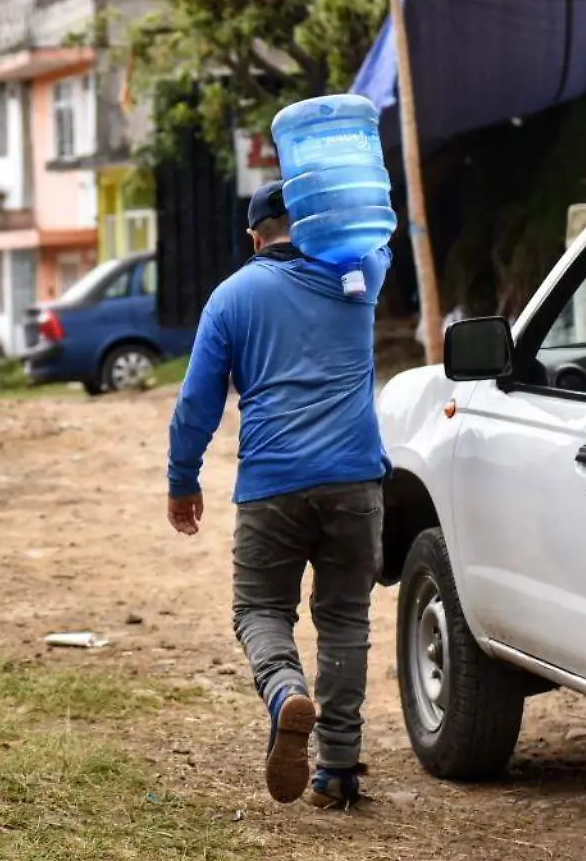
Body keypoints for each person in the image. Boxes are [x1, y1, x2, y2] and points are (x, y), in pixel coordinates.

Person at [166, 180, 391, 809]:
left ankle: (286, 691)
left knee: (260, 612)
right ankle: (338, 771)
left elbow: (196, 404)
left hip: (272, 484)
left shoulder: (233, 296)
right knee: (345, 618)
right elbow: (383, 234)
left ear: (253, 237)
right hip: (355, 480)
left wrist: (183, 481)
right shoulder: (360, 272)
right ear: (313, 220)